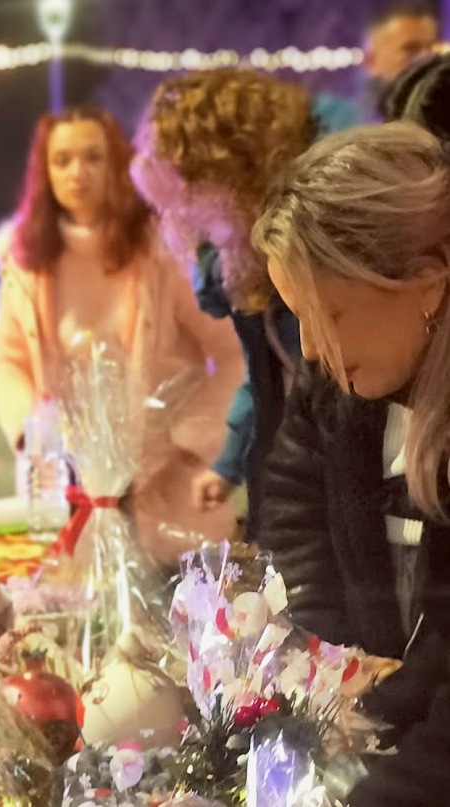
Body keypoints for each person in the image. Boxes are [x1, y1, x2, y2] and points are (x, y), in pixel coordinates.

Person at [252, 121, 450, 806]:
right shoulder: (344, 378)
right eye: (297, 317)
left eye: (330, 313)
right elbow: (296, 505)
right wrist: (330, 664)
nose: (308, 349)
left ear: (427, 284)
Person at [0, 105, 243, 566]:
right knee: (66, 601)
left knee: (176, 600)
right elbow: (6, 358)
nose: (77, 172)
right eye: (62, 160)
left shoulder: (161, 250)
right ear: (45, 172)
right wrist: (34, 431)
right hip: (66, 489)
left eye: (92, 157)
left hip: (165, 485)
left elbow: (233, 352)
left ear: (117, 164)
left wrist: (189, 438)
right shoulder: (26, 261)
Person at [130, 69, 317, 541]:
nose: (182, 215)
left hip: (321, 479)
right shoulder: (240, 254)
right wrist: (229, 465)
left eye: (189, 191)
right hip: (289, 476)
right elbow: (264, 378)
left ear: (229, 172)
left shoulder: (301, 252)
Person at [364, 1, 441, 118]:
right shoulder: (343, 120)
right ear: (372, 60)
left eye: (431, 48)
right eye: (411, 49)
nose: (427, 58)